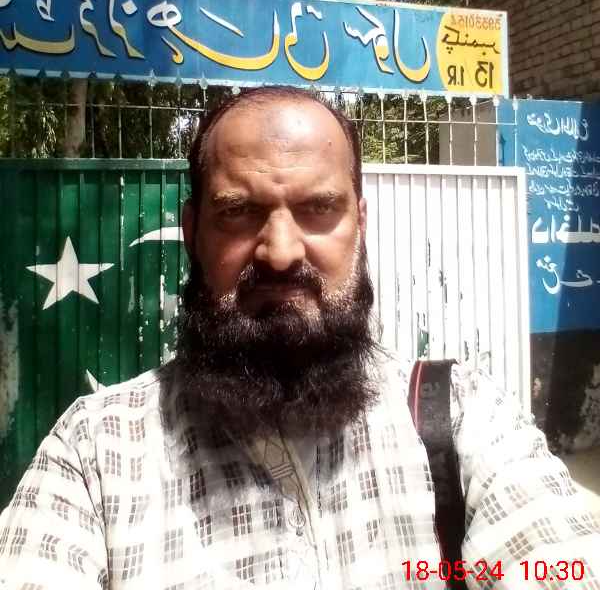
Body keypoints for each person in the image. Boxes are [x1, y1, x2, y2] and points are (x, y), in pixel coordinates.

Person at [0, 85, 599, 589]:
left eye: (319, 209)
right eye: (238, 212)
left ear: (360, 224)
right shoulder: (96, 453)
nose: (282, 253)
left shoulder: (462, 416)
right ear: (191, 232)